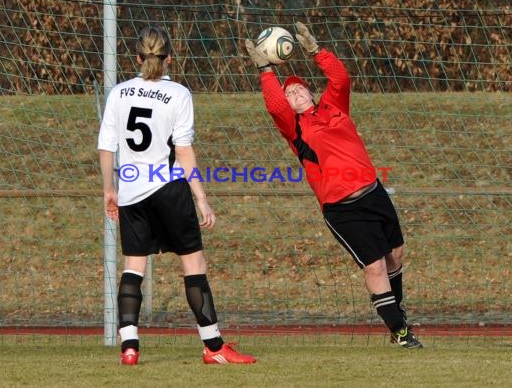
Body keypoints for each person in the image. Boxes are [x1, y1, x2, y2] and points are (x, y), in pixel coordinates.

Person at [245, 22, 422, 348]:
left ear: (311, 93)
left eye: (299, 88)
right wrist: (267, 71)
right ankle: (400, 331)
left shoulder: (333, 107)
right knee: (375, 265)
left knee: (395, 255)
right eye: (289, 91)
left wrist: (316, 52)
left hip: (373, 191)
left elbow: (340, 79)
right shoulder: (295, 128)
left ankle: (398, 316)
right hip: (342, 208)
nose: (295, 91)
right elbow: (274, 106)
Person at [98, 26, 257, 365]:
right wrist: (201, 197)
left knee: (134, 266)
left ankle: (129, 347)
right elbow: (183, 151)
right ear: (170, 58)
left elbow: (105, 147)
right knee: (193, 265)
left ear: (137, 58)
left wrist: (109, 190)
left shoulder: (119, 93)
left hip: (131, 190)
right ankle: (214, 348)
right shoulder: (178, 94)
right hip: (168, 188)